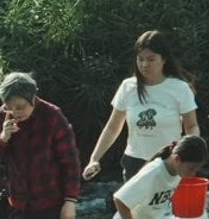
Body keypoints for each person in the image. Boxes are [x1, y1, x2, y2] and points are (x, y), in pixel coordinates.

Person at [0, 71, 82, 219]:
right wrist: (3, 138)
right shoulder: (3, 115)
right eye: (10, 107)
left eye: (20, 106)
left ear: (32, 98)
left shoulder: (53, 117)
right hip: (18, 204)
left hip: (50, 204)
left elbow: (70, 163)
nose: (15, 112)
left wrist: (70, 201)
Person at [83, 30, 200, 183]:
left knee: (165, 207)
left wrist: (190, 154)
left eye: (151, 59)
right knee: (132, 206)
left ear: (164, 59)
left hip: (169, 163)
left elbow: (191, 126)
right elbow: (112, 127)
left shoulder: (180, 88)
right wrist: (94, 159)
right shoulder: (128, 87)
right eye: (140, 59)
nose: (145, 65)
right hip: (134, 162)